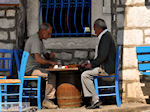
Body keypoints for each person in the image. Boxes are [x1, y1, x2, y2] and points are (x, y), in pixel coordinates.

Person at [81, 18, 116, 109]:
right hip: (105, 66)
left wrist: (91, 65)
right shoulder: (106, 36)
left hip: (106, 68)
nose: (94, 31)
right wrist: (89, 62)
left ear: (99, 28)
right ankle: (91, 99)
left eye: (94, 29)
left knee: (85, 75)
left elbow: (102, 57)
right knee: (86, 72)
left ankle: (95, 99)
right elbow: (99, 57)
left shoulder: (105, 38)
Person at [24, 23, 58, 109]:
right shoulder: (35, 40)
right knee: (51, 75)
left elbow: (45, 54)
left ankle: (47, 98)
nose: (50, 36)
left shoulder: (39, 40)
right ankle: (48, 100)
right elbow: (38, 59)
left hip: (35, 67)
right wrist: (50, 62)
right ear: (43, 31)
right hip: (30, 70)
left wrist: (49, 56)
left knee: (50, 72)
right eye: (49, 33)